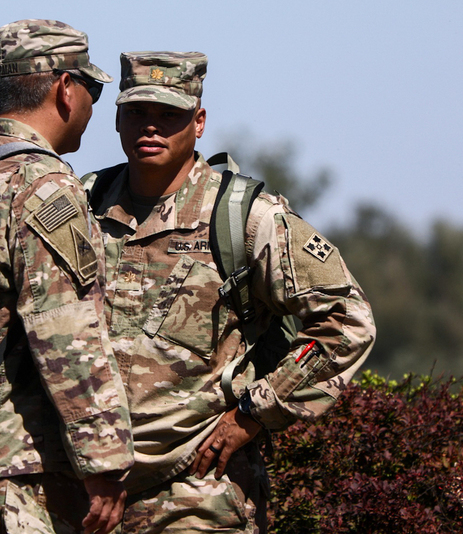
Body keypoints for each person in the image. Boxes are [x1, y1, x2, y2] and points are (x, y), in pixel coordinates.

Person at [83, 51, 376, 533]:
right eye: (136, 112)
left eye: (168, 115)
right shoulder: (83, 205)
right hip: (89, 494)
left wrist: (255, 414)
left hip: (199, 493)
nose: (150, 128)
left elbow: (347, 322)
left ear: (198, 123)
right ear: (116, 119)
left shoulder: (246, 217)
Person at [0, 20, 134, 534]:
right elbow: (66, 330)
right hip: (19, 472)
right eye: (92, 89)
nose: (91, 106)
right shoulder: (43, 184)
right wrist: (105, 459)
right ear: (65, 88)